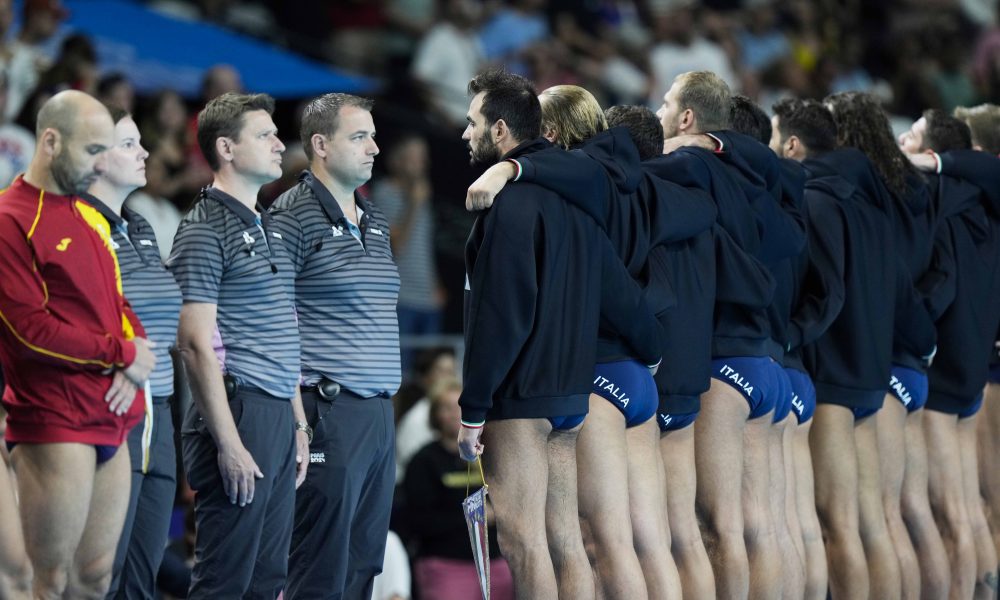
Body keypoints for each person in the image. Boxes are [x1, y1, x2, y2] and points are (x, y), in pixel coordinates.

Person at [456, 67, 662, 600]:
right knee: (565, 540)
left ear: (501, 130)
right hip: (571, 395)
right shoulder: (578, 199)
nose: (464, 132)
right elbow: (617, 291)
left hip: (523, 396)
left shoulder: (509, 203)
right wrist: (652, 349)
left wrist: (473, 408)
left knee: (524, 543)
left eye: (472, 122)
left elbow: (501, 316)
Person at [0, 89, 156, 598]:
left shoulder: (86, 215)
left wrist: (137, 351)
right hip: (55, 418)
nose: (102, 163)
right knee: (45, 582)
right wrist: (123, 354)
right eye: (92, 150)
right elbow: (29, 331)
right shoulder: (10, 218)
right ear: (50, 142)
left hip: (115, 414)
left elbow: (116, 301)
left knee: (94, 580)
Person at [169, 92, 309, 599]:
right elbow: (193, 344)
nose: (279, 144)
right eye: (265, 134)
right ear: (226, 149)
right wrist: (228, 443)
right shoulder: (203, 228)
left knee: (267, 580)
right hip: (235, 412)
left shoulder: (266, 225)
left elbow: (285, 333)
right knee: (225, 581)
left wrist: (298, 423)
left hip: (275, 413)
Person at [270, 93, 400, 600]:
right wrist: (296, 422)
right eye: (359, 136)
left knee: (363, 566)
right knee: (319, 571)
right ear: (321, 145)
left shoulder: (375, 218)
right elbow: (270, 324)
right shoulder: (290, 215)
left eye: (374, 135)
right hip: (325, 411)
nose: (374, 147)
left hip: (379, 413)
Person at [826, 91, 940, 600]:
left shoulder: (857, 196)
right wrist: (926, 339)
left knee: (862, 520)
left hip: (870, 357)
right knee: (891, 517)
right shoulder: (918, 191)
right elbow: (937, 274)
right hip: (907, 356)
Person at [79, 105, 181, 600]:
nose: (145, 153)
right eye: (129, 144)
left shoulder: (138, 225)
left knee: (143, 573)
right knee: (101, 573)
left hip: (159, 413)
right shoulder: (75, 225)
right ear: (95, 156)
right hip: (111, 410)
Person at [404, 377, 513, 600]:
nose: (455, 414)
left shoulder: (490, 455)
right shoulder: (424, 461)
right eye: (447, 408)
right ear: (435, 415)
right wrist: (477, 516)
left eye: (460, 407)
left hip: (497, 562)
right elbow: (418, 521)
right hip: (445, 564)